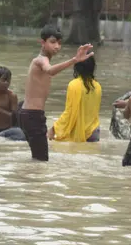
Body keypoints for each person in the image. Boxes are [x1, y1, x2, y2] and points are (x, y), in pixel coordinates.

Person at [17, 24, 93, 161]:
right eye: (52, 42)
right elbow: (50, 71)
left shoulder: (42, 60)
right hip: (32, 115)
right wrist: (75, 60)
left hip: (28, 114)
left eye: (59, 43)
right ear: (42, 42)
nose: (57, 46)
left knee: (37, 158)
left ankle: (27, 178)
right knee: (41, 161)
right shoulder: (41, 60)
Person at [48, 55, 102, 142]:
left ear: (77, 67)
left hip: (79, 132)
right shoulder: (97, 86)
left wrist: (54, 128)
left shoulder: (74, 85)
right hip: (94, 131)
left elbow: (69, 112)